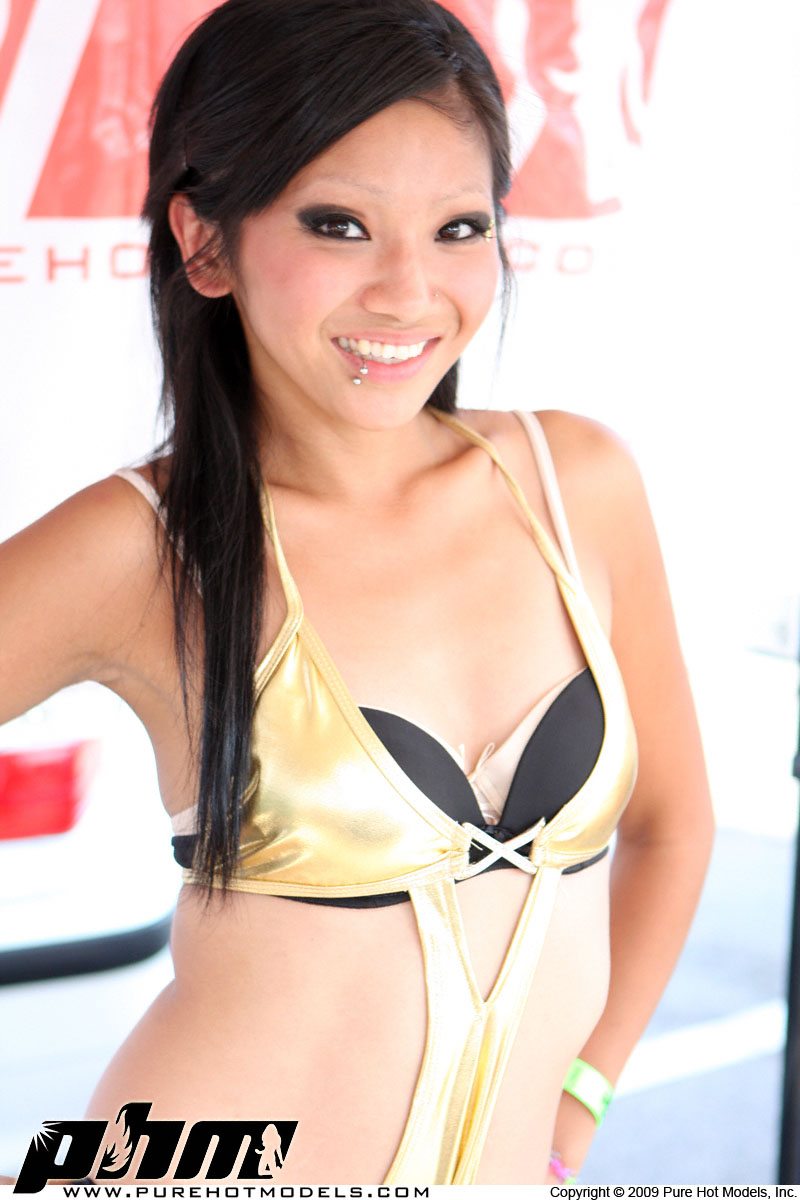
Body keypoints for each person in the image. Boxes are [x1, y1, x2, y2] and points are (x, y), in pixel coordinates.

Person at [0, 0, 714, 1185]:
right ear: (206, 242)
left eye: (456, 228)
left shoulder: (575, 483)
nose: (407, 291)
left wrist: (581, 1097)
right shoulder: (145, 546)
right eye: (339, 225)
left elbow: (671, 825)